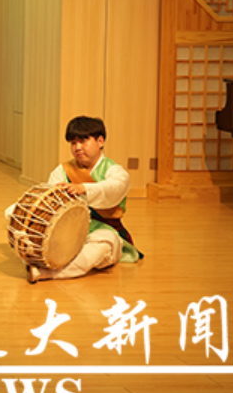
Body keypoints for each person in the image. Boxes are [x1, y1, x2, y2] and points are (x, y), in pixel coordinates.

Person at [22, 115, 143, 283]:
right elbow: (50, 198)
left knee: (104, 246)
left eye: (83, 141)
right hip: (68, 229)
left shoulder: (116, 172)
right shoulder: (63, 170)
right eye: (73, 143)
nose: (77, 147)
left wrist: (84, 188)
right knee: (18, 216)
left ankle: (46, 273)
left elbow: (112, 189)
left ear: (100, 141)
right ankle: (46, 263)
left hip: (103, 229)